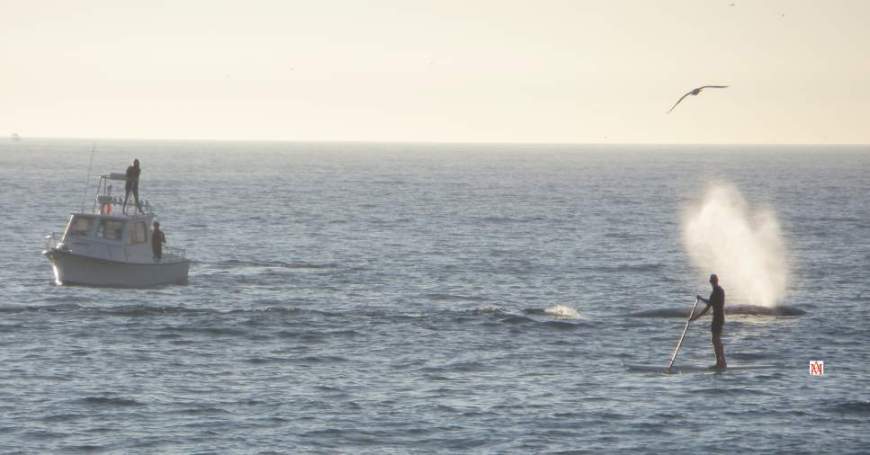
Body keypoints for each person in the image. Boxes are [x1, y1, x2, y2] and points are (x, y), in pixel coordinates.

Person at [691, 273, 727, 369]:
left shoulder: (716, 292)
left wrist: (695, 317)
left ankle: (720, 363)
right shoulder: (719, 290)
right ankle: (722, 362)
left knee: (715, 340)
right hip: (719, 318)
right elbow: (711, 303)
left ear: (711, 282)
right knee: (716, 340)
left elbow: (708, 306)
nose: (711, 282)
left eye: (711, 281)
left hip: (717, 318)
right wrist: (702, 299)